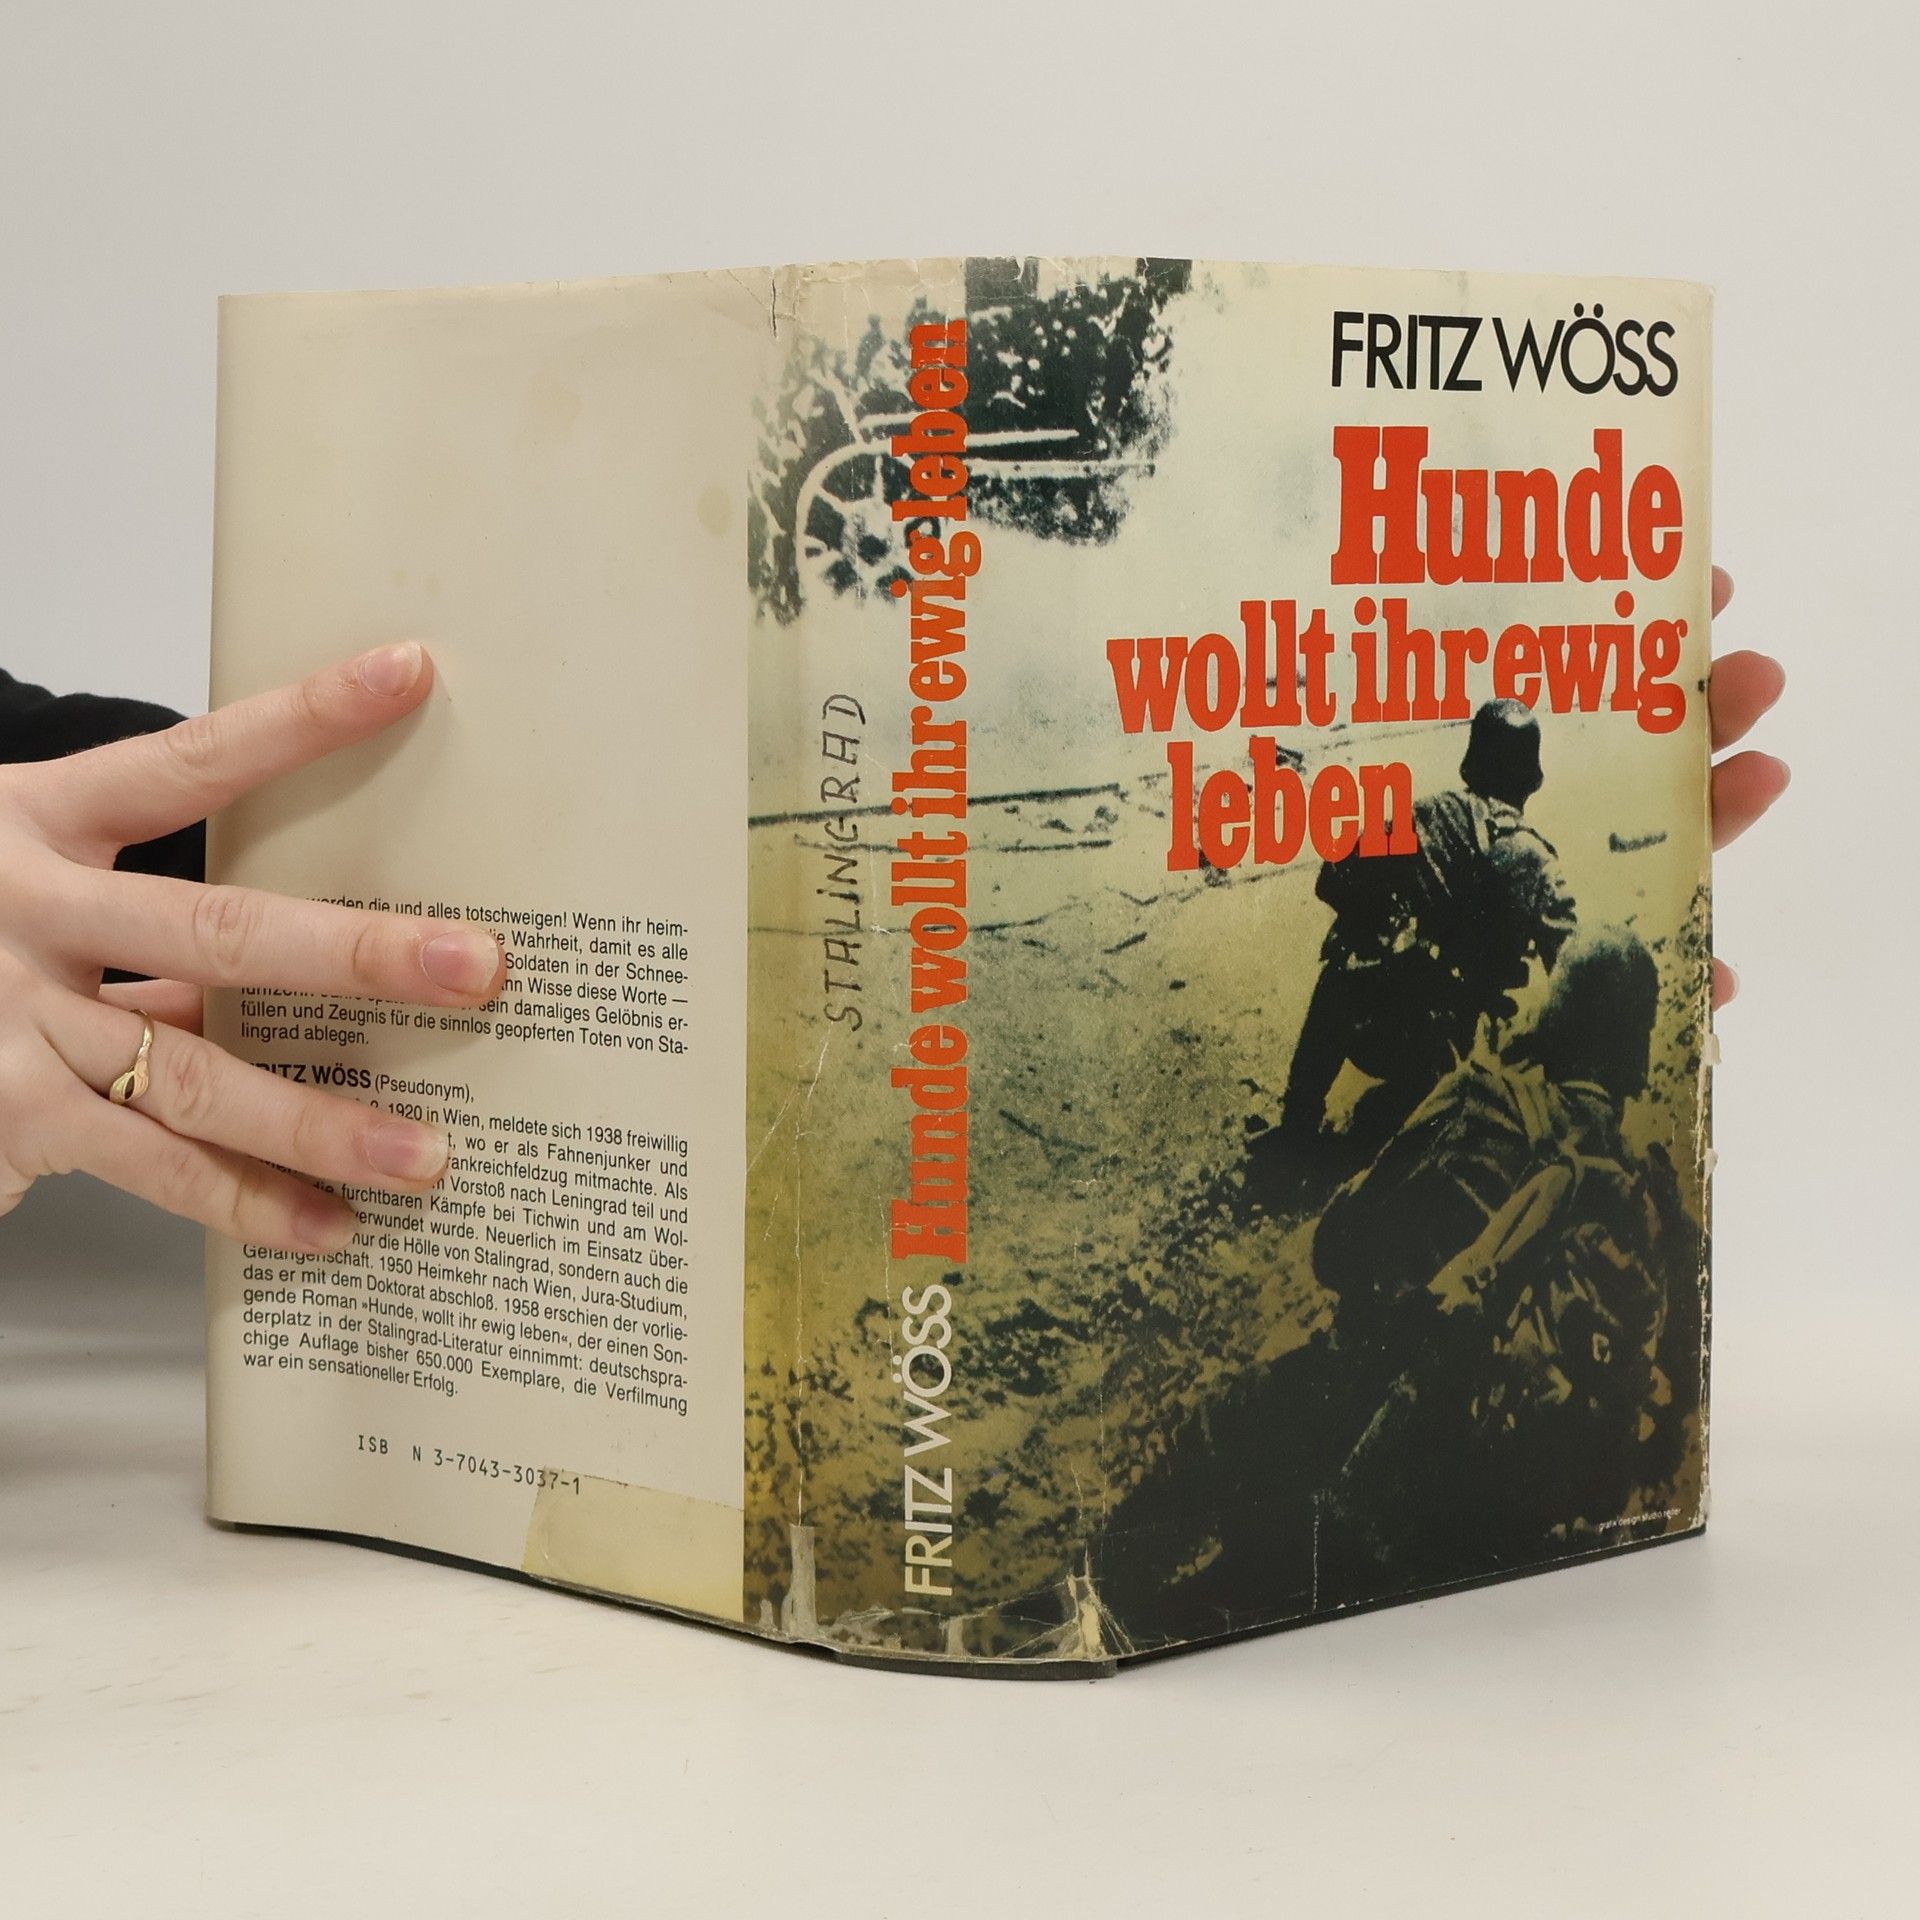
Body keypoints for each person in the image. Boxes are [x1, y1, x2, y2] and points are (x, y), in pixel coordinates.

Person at [0, 571, 1785, 1255]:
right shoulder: (1513, 856)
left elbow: (39, 772)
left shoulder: (1436, 821)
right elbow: (1400, 916)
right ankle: (1328, 1150)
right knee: (1383, 1026)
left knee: (1355, 1021)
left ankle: (1315, 1148)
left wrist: (588, 876)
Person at [1309, 926, 1696, 1591]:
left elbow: (1336, 1251)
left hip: (1397, 1452)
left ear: (1553, 1020)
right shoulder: (1652, 1200)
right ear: (1633, 1059)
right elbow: (1682, 1393)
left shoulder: (1478, 1098)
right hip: (1530, 1522)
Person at [1260, 696, 1576, 1204]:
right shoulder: (1535, 859)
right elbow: (1575, 969)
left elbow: (1331, 879)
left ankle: (1297, 1127)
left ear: (1471, 765)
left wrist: (1389, 923)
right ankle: (1386, 1138)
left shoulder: (1421, 814)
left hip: (1356, 1026)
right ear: (1529, 781)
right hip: (1433, 1053)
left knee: (1343, 962)